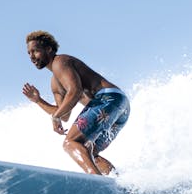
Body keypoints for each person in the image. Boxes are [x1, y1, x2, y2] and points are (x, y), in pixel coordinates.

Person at [22, 30, 130, 176]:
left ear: (48, 49)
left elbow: (75, 91)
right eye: (29, 53)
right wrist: (38, 101)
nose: (31, 56)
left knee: (70, 143)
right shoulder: (55, 82)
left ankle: (95, 181)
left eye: (35, 51)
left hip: (108, 98)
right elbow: (64, 114)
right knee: (89, 151)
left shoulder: (60, 62)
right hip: (119, 106)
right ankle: (117, 184)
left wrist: (55, 117)